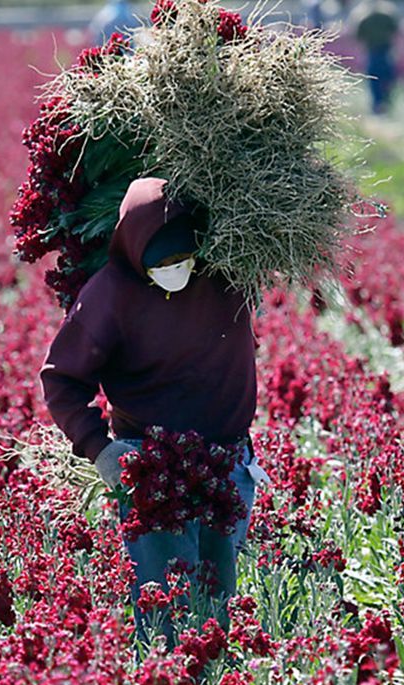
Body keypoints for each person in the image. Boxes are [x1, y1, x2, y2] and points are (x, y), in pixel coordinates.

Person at [40, 177, 264, 646]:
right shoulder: (109, 296)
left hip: (228, 459)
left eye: (182, 259)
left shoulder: (224, 269)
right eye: (162, 264)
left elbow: (269, 239)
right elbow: (61, 379)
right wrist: (99, 450)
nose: (175, 270)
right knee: (166, 607)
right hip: (156, 469)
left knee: (217, 602)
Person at [349, 0, 400, 114]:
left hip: (372, 52)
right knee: (388, 79)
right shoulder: (387, 13)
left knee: (374, 82)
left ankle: (377, 107)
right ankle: (386, 103)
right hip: (386, 52)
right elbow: (395, 29)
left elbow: (357, 34)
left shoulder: (362, 16)